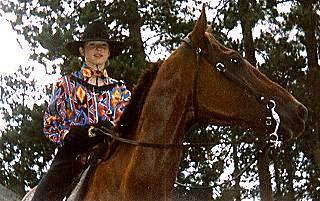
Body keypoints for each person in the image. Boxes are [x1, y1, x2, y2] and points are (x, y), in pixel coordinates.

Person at [32, 20, 131, 201]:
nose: (98, 50)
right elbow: (50, 121)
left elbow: (131, 125)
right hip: (73, 156)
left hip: (110, 154)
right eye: (92, 45)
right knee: (43, 196)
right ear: (81, 51)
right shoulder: (66, 84)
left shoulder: (121, 91)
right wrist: (69, 135)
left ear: (109, 52)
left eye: (103, 46)